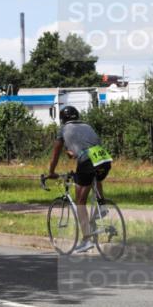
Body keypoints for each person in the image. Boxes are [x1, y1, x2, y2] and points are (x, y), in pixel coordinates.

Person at [45, 105, 112, 253]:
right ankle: (102, 205)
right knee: (95, 177)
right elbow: (89, 145)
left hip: (87, 161)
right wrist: (74, 153)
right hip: (105, 159)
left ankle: (86, 240)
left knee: (80, 201)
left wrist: (51, 172)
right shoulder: (87, 125)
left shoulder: (63, 130)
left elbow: (55, 153)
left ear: (62, 119)